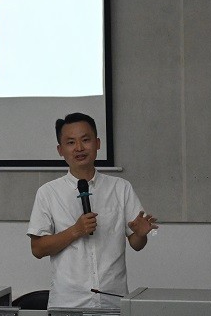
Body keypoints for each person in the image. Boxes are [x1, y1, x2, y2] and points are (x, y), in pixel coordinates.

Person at [27, 112, 158, 310]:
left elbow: (137, 244)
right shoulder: (48, 193)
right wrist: (75, 231)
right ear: (60, 150)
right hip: (68, 305)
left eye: (85, 140)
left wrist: (140, 234)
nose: (79, 148)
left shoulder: (120, 188)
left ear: (97, 143)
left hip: (112, 301)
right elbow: (37, 249)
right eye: (71, 142)